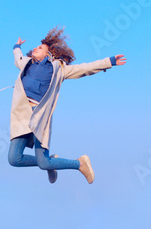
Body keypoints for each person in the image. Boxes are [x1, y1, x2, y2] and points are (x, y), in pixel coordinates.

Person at [7, 26, 126, 184]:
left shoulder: (58, 69)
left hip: (40, 116)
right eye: (36, 47)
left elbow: (84, 68)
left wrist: (109, 62)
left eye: (40, 47)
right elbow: (18, 57)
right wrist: (17, 47)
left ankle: (80, 163)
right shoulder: (26, 63)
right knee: (14, 159)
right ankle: (54, 161)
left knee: (44, 163)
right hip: (21, 116)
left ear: (49, 53)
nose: (35, 48)